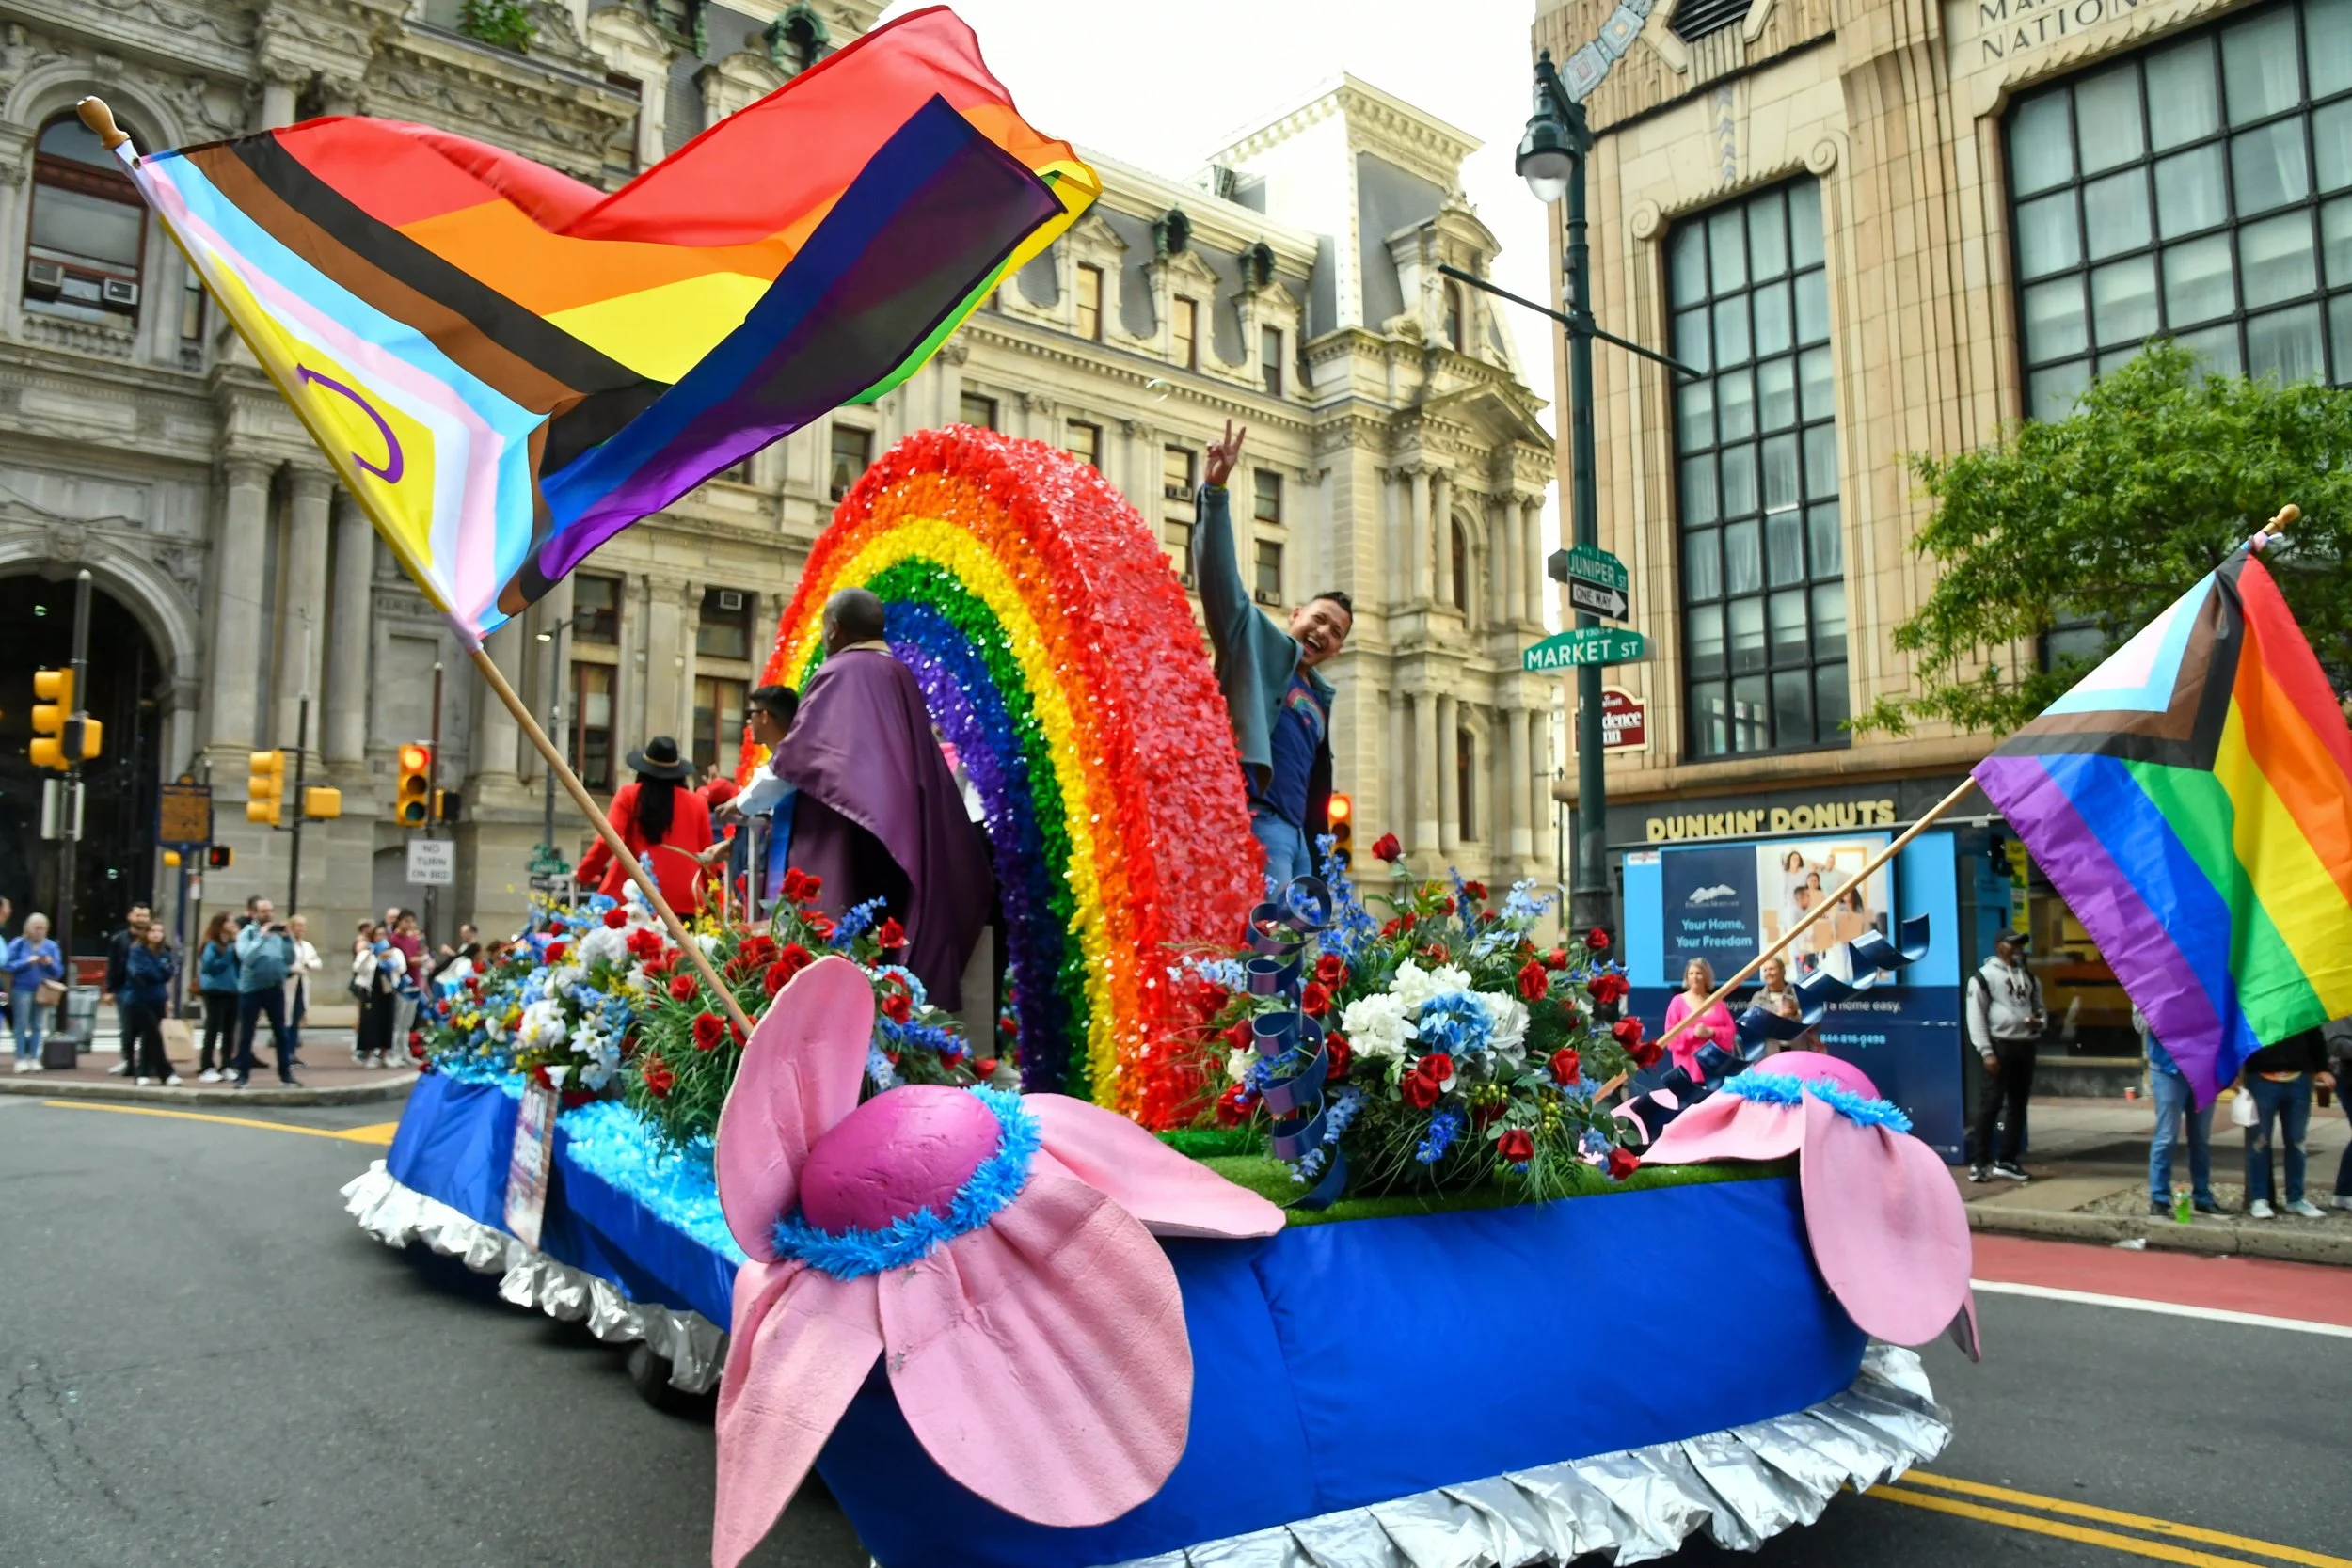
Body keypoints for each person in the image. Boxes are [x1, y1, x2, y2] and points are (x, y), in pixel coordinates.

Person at [770, 588, 992, 1014]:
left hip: (855, 832)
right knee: (891, 939)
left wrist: (742, 805)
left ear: (834, 628)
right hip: (899, 826)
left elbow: (804, 753)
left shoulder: (841, 671)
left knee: (854, 942)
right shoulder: (898, 674)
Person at [1194, 420, 1355, 883]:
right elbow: (1219, 578)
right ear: (1296, 615)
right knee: (1269, 947)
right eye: (1319, 619)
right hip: (1257, 822)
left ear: (1338, 648)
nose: (1324, 632)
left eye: (1336, 631)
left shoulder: (1320, 699)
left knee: (1299, 954)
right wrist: (1215, 492)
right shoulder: (1255, 641)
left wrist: (1319, 852)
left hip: (1301, 841)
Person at [574, 736, 715, 900]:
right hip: (686, 898)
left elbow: (608, 840)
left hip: (635, 896)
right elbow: (708, 855)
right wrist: (714, 901)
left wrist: (583, 875)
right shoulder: (698, 803)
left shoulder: (629, 795)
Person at [1965, 930, 2044, 1183]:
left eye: (2021, 943)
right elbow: (1975, 1016)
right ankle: (1980, 1162)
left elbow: (2040, 1008)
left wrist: (2039, 1022)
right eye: (2014, 943)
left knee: (2018, 1105)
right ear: (2000, 946)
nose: (2019, 948)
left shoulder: (2029, 977)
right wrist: (1986, 1052)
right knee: (1991, 1105)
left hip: (2025, 1045)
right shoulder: (1983, 977)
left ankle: (2007, 1160)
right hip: (2000, 1047)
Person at [2238, 1026, 2334, 1219]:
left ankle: (2295, 1198)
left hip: (2298, 1077)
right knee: (2259, 1141)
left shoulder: (2299, 999)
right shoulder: (2255, 1000)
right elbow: (2239, 1033)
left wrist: (2322, 1068)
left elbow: (2314, 1033)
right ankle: (2259, 1198)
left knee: (2296, 1140)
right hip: (2261, 1076)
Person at [718, 685, 802, 905]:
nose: (748, 723)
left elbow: (759, 794)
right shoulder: (782, 758)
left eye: (750, 715)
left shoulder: (795, 756)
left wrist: (737, 804)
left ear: (764, 716)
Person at [2137, 1006, 2222, 1217]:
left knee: (2200, 1138)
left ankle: (2203, 1196)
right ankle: (2159, 1199)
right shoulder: (2148, 981)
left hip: (2203, 1068)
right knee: (2166, 1136)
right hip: (2168, 1069)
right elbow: (2140, 1024)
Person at [232, 898, 299, 1088]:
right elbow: (247, 958)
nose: (268, 914)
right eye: (263, 911)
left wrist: (288, 939)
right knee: (247, 1033)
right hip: (251, 989)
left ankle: (285, 1074)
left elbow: (289, 959)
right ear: (254, 914)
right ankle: (243, 1074)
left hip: (274, 987)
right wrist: (261, 937)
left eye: (270, 911)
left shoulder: (277, 935)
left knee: (281, 1032)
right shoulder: (247, 934)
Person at [121, 921, 182, 1086]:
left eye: (160, 931)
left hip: (158, 999)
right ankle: (166, 1072)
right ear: (146, 933)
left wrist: (159, 972)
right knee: (153, 1034)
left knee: (150, 1038)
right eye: (153, 931)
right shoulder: (137, 951)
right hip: (139, 1000)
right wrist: (159, 971)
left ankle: (142, 1072)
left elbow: (169, 972)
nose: (156, 934)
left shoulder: (163, 952)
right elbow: (141, 973)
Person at [6, 912, 63, 1073]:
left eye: (43, 928)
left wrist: (50, 964)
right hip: (21, 988)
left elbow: (58, 971)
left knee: (38, 1025)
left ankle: (34, 1057)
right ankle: (20, 1057)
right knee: (20, 1024)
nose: (39, 931)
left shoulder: (51, 946)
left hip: (42, 989)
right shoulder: (19, 943)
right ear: (28, 928)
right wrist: (26, 962)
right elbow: (8, 966)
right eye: (36, 928)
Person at [102, 903, 153, 1075]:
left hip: (148, 989)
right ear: (130, 917)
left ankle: (147, 1061)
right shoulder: (119, 939)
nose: (142, 919)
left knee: (149, 1028)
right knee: (127, 1028)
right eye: (138, 915)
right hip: (125, 988)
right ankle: (127, 1060)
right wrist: (109, 989)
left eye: (145, 916)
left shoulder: (154, 938)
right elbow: (113, 965)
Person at [1662, 958, 1735, 1082]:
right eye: (1691, 973)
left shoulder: (1717, 1002)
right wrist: (1693, 1033)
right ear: (1686, 977)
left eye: (1699, 973)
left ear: (1706, 976)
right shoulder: (1677, 1002)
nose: (1695, 977)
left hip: (1715, 1071)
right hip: (1687, 1071)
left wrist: (1712, 1032)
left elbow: (1731, 1032)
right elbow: (1670, 1037)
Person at [195, 913, 241, 1081]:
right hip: (215, 990)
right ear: (220, 924)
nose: (232, 924)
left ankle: (227, 1064)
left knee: (229, 1030)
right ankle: (206, 1065)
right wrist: (229, 951)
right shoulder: (212, 945)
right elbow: (210, 967)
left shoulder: (233, 943)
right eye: (228, 921)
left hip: (232, 989)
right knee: (213, 1029)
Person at [352, 925, 405, 1069]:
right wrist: (370, 955)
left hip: (387, 992)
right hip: (371, 992)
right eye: (378, 935)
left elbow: (402, 969)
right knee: (369, 1023)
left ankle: (385, 1055)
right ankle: (368, 1056)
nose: (381, 937)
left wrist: (390, 960)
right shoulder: (367, 952)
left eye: (383, 934)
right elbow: (357, 968)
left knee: (387, 1023)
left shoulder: (395, 953)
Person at [280, 913, 322, 1069]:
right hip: (288, 985)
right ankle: (285, 1054)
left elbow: (317, 962)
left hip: (301, 986)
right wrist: (295, 968)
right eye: (299, 925)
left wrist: (309, 964)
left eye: (304, 925)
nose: (302, 929)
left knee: (296, 1020)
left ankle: (292, 1053)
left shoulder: (307, 946)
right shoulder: (285, 944)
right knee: (286, 1021)